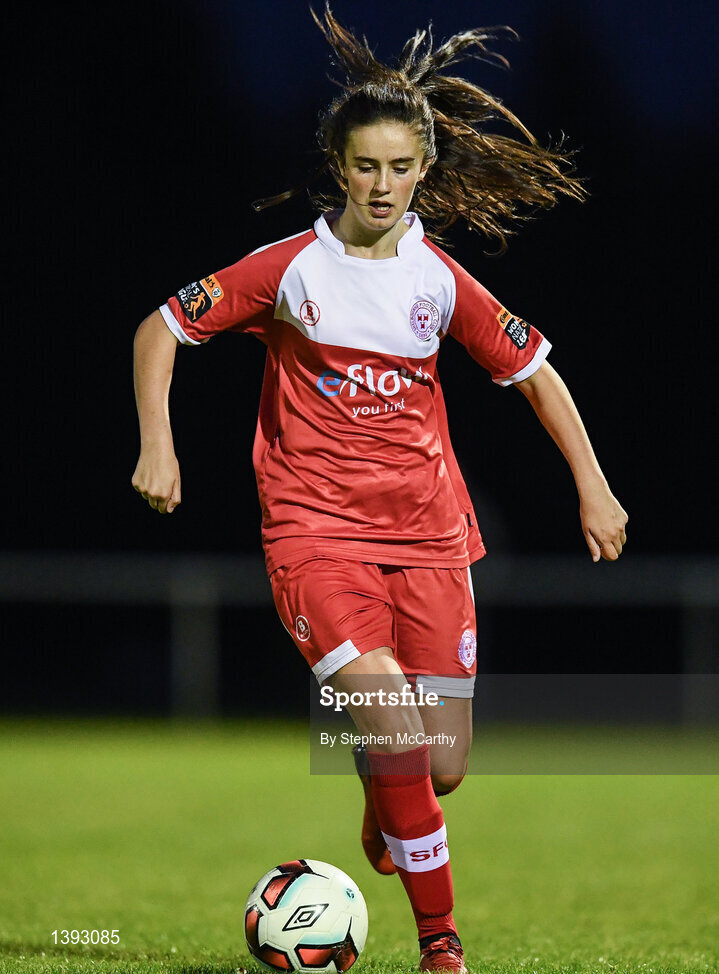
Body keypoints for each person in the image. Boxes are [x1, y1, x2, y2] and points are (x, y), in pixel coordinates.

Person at [132, 7, 628, 971]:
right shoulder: (288, 271)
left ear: (423, 172)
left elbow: (535, 372)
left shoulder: (437, 281)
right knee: (396, 719)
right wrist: (160, 444)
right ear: (338, 164)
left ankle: (383, 789)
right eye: (366, 166)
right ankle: (440, 942)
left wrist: (593, 487)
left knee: (441, 763)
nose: (384, 185)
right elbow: (160, 328)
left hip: (435, 539)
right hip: (313, 534)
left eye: (402, 168)